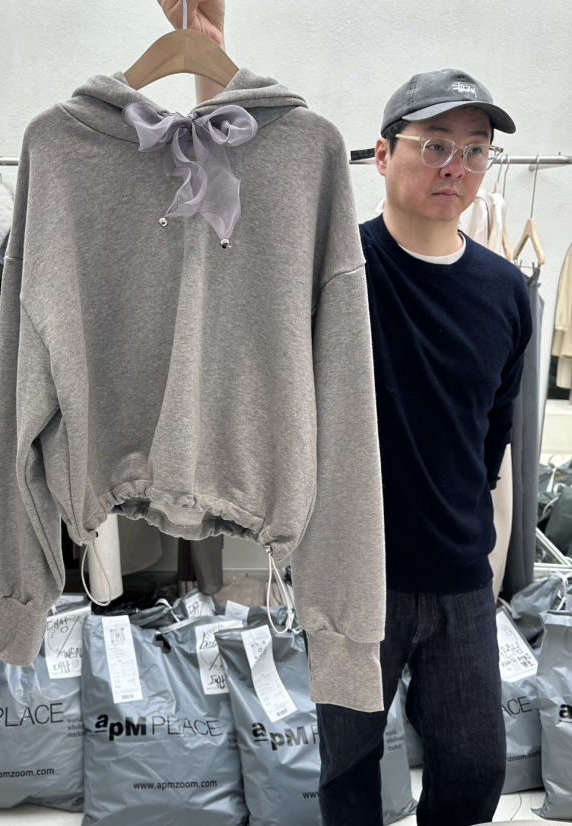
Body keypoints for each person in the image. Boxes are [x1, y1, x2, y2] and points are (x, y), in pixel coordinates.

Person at [158, 3, 533, 824]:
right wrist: (211, 65)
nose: (457, 166)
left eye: (475, 150)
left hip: (460, 577)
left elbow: (494, 433)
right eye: (436, 144)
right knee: (349, 768)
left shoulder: (508, 292)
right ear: (383, 153)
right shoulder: (337, 265)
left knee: (475, 769)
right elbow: (241, 211)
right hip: (352, 572)